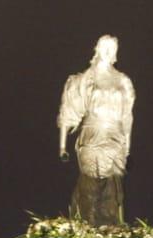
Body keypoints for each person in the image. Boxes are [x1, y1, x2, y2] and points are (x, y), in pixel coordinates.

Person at [57, 34, 135, 225]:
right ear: (98, 49)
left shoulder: (122, 80)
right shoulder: (84, 79)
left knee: (112, 186)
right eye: (105, 47)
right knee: (90, 183)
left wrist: (128, 147)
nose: (109, 52)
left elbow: (127, 115)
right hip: (92, 136)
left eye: (112, 49)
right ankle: (86, 226)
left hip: (115, 138)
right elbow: (68, 110)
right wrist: (62, 147)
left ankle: (112, 230)